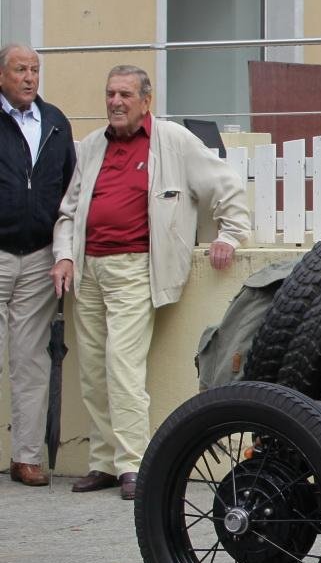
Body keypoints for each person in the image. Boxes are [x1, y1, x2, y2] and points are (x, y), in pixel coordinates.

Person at [51, 66, 250, 499]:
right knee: (92, 372)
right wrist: (64, 255)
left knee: (121, 365)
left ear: (146, 101)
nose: (115, 102)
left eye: (125, 94)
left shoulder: (172, 140)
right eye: (110, 93)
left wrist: (230, 235)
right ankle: (104, 462)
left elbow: (225, 183)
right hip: (88, 269)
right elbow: (69, 212)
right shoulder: (92, 145)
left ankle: (132, 464)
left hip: (134, 267)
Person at [0, 44, 75, 486]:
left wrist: (63, 249)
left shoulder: (55, 122)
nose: (29, 77)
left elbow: (70, 188)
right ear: (2, 75)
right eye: (20, 69)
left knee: (31, 361)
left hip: (38, 257)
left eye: (34, 69)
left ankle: (26, 457)